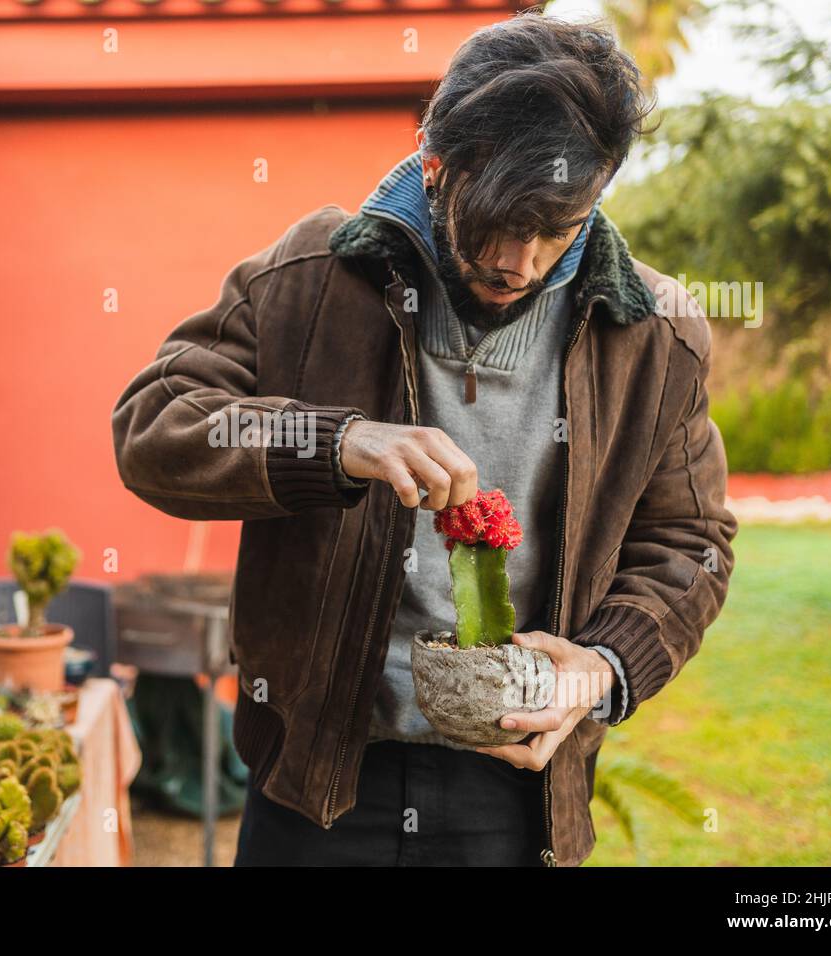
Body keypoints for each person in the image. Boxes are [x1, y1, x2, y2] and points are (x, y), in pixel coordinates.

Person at [112, 13, 736, 866]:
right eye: (499, 221)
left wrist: (601, 666)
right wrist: (335, 444)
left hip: (518, 785)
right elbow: (154, 426)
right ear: (435, 164)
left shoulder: (658, 336)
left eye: (558, 227)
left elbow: (691, 542)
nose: (521, 260)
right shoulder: (309, 275)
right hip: (316, 780)